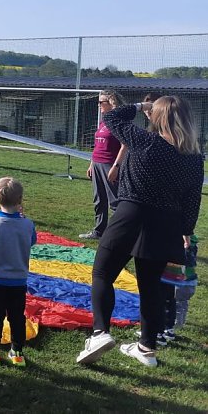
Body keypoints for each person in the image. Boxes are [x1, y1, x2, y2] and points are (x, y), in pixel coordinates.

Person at [77, 96, 203, 369]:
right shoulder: (194, 158)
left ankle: (100, 333)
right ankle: (147, 348)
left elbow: (111, 118)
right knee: (151, 287)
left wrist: (139, 107)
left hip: (131, 213)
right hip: (167, 223)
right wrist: (185, 231)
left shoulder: (147, 141)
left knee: (102, 273)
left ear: (157, 116)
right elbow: (193, 200)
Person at [0, 177, 36, 366]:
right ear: (20, 200)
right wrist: (22, 220)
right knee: (17, 317)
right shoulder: (28, 225)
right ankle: (16, 352)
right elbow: (32, 240)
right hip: (18, 281)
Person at [80, 90, 128, 240]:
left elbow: (125, 145)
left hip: (109, 165)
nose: (99, 105)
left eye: (102, 102)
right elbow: (97, 145)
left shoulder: (118, 121)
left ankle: (120, 233)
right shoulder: (103, 121)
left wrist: (116, 166)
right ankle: (98, 231)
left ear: (111, 103)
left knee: (115, 202)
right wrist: (91, 164)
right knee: (99, 200)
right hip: (97, 164)